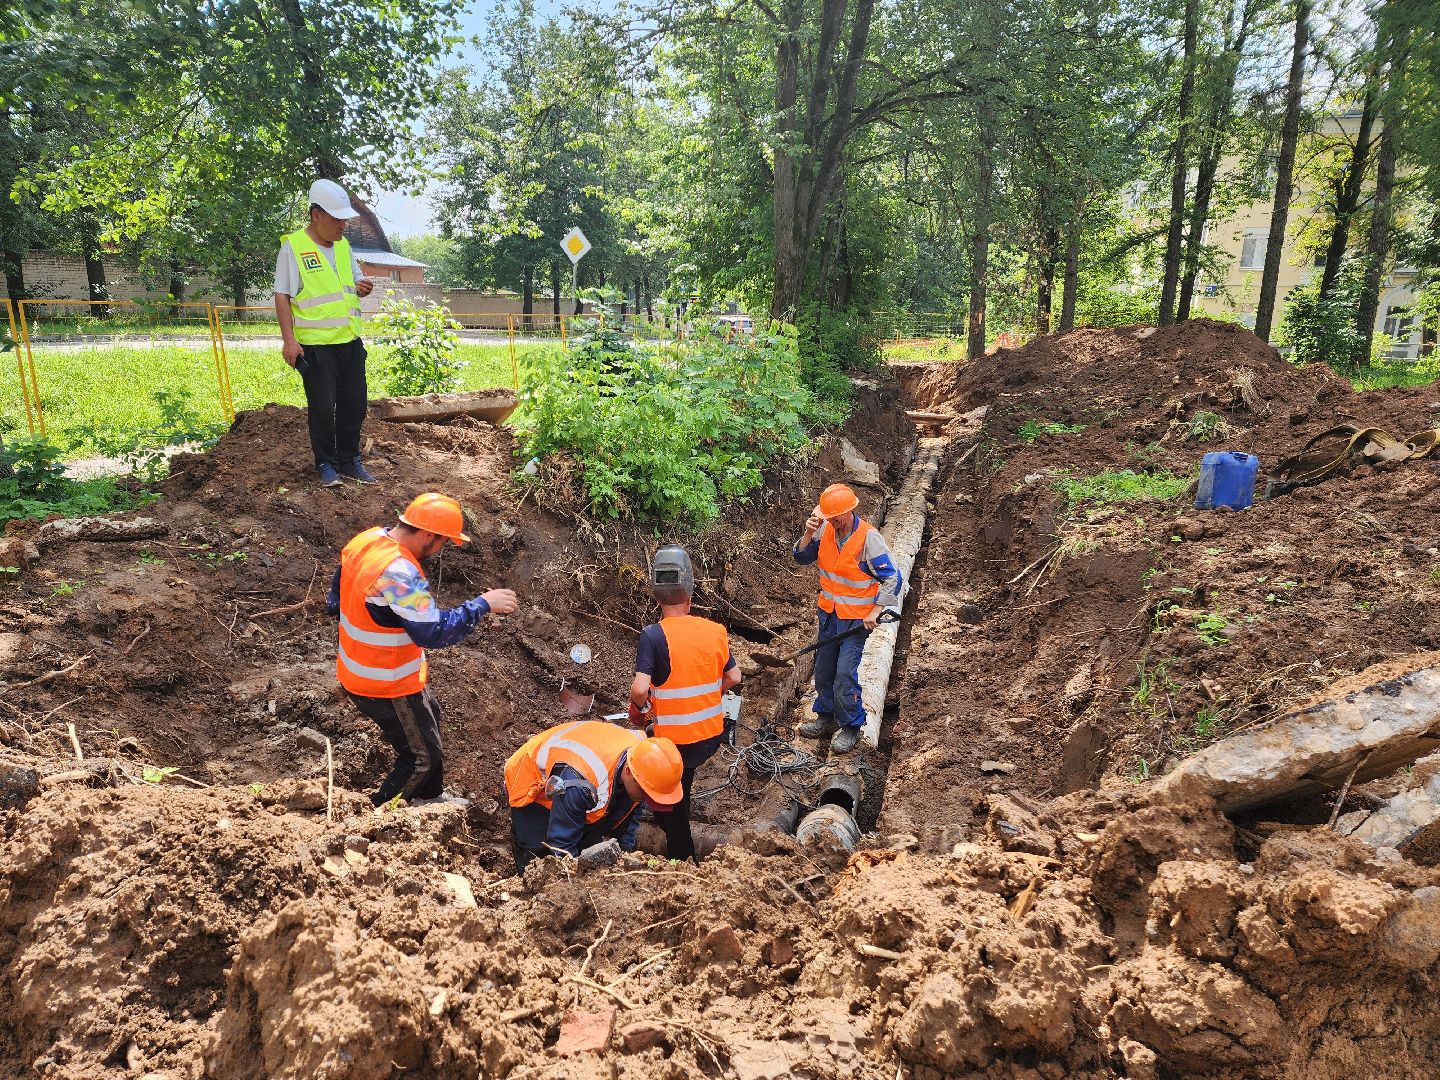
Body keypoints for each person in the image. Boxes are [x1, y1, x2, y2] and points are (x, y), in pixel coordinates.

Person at [327, 492, 518, 806]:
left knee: (430, 717)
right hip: (385, 683)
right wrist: (482, 605)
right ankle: (382, 813)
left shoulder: (366, 541)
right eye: (442, 542)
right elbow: (434, 631)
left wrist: (374, 616)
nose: (440, 549)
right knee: (422, 758)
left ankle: (429, 797)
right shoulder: (399, 572)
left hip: (362, 668)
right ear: (428, 534)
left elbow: (334, 600)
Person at [628, 544, 742, 862]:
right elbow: (734, 677)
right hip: (710, 737)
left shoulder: (653, 635)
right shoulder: (715, 631)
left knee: (657, 759)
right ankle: (665, 809)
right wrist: (709, 694)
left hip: (677, 742)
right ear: (691, 595)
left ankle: (681, 853)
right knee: (682, 773)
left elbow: (639, 690)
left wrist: (642, 708)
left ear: (655, 597)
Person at [275, 178, 376, 488]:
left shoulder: (344, 246)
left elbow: (354, 283)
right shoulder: (294, 246)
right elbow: (282, 295)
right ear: (316, 214)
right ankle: (326, 464)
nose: (342, 225)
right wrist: (289, 340)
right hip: (317, 346)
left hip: (349, 342)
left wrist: (362, 288)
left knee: (355, 405)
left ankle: (350, 460)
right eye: (336, 218)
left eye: (344, 218)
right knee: (321, 408)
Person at [792, 482, 903, 754]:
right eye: (826, 517)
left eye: (834, 517)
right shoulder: (823, 530)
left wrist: (876, 611)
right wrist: (808, 533)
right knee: (824, 670)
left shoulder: (869, 538)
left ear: (847, 512)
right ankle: (826, 717)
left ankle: (852, 725)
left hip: (855, 621)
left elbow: (893, 578)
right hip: (829, 616)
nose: (830, 522)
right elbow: (802, 557)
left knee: (844, 674)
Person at [504, 720, 684, 873]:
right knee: (539, 855)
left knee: (588, 845)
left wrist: (625, 857)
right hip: (531, 783)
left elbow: (630, 812)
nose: (646, 801)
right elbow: (561, 847)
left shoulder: (642, 760)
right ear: (629, 772)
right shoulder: (580, 782)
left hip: (575, 778)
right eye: (645, 795)